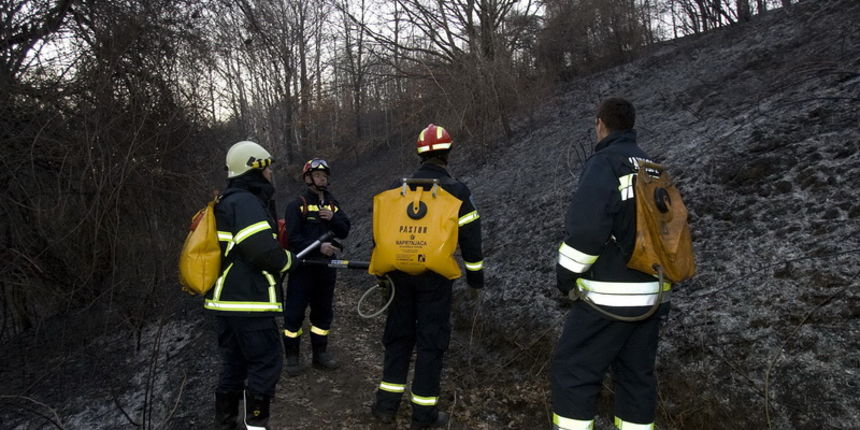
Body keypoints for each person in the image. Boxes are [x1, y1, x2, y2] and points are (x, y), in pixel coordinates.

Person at [552, 98, 671, 430]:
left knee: (574, 372)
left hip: (609, 300)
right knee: (636, 378)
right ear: (631, 126)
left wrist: (565, 277)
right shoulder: (652, 168)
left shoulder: (604, 164)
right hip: (653, 296)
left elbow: (587, 232)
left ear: (600, 124)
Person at [370, 124, 485, 429]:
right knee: (431, 343)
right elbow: (471, 240)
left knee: (398, 339)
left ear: (419, 154)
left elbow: (380, 234)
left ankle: (385, 407)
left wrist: (382, 276)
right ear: (448, 153)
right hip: (434, 279)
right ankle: (423, 416)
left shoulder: (395, 189)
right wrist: (475, 279)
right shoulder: (457, 192)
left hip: (397, 274)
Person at [208, 140, 295, 430]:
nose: (270, 173)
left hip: (227, 304)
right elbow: (262, 251)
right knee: (265, 363)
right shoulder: (246, 202)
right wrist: (288, 261)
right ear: (254, 168)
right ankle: (257, 426)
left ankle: (225, 424)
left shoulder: (227, 200)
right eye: (267, 168)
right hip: (249, 303)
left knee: (233, 365)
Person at [281, 158, 351, 376]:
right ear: (308, 179)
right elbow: (293, 238)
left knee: (322, 313)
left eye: (324, 176)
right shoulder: (297, 205)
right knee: (294, 313)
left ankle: (320, 355)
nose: (322, 179)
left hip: (325, 270)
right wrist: (319, 247)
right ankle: (292, 358)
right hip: (303, 268)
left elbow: (344, 230)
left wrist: (334, 218)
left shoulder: (332, 204)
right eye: (318, 175)